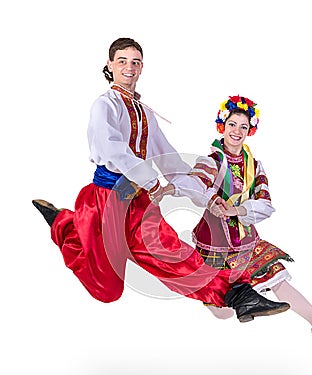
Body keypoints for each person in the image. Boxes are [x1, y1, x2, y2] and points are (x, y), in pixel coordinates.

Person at [32, 38, 290, 322]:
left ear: (141, 67)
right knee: (107, 290)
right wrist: (151, 181)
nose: (129, 67)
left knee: (173, 254)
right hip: (105, 202)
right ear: (110, 65)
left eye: (135, 62)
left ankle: (238, 296)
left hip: (139, 203)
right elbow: (112, 150)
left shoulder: (144, 112)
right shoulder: (103, 106)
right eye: (122, 61)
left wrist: (202, 192)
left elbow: (167, 156)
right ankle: (65, 223)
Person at [160, 95, 312, 341]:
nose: (237, 131)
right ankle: (236, 296)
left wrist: (236, 210)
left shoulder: (255, 166)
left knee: (276, 276)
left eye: (243, 126)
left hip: (247, 241)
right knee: (223, 313)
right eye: (232, 124)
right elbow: (193, 183)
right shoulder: (213, 161)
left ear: (250, 130)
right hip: (216, 243)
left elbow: (266, 205)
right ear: (222, 126)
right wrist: (175, 190)